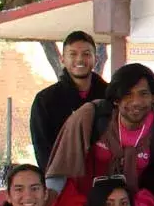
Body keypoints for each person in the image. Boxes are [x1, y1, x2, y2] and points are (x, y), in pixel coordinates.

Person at [44, 63, 154, 206]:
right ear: (116, 99)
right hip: (85, 205)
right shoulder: (91, 115)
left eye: (143, 94)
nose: (136, 102)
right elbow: (59, 171)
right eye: (127, 94)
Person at [29, 30, 108, 168]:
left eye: (86, 54)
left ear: (96, 59)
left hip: (103, 177)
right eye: (73, 54)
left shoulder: (109, 96)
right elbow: (42, 148)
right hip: (62, 178)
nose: (80, 59)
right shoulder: (46, 100)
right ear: (63, 59)